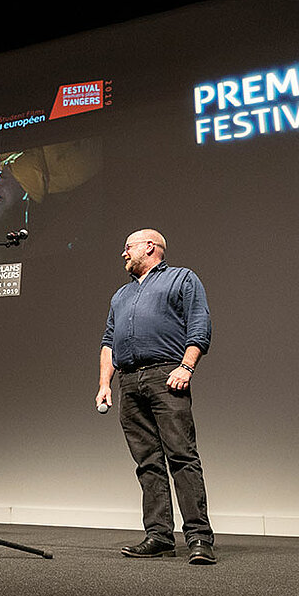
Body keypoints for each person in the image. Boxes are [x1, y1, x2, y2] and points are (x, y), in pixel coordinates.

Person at [96, 229, 216, 565]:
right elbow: (108, 342)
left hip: (166, 377)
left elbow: (199, 323)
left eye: (127, 247)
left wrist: (187, 367)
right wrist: (105, 384)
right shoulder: (120, 295)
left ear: (150, 247)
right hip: (128, 383)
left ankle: (199, 538)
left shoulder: (181, 279)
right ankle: (159, 536)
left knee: (182, 457)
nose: (123, 254)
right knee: (147, 463)